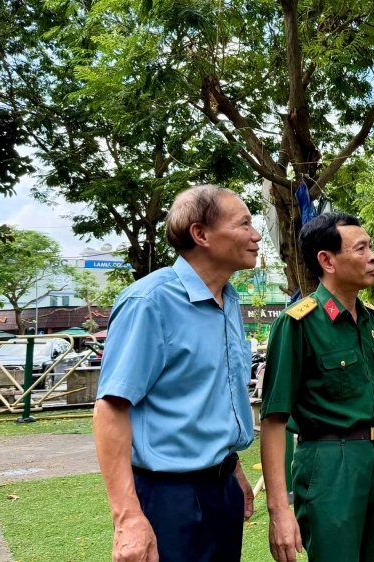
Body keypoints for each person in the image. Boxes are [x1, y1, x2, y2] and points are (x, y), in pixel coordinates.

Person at [94, 185, 260, 562]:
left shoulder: (229, 300)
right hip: (170, 498)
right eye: (245, 224)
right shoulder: (150, 302)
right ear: (201, 234)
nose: (255, 235)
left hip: (221, 488)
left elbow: (210, 399)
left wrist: (230, 467)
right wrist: (127, 518)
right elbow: (111, 409)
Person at [260, 212, 374, 562]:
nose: (373, 256)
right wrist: (280, 510)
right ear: (327, 260)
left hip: (373, 459)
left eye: (371, 246)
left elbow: (370, 405)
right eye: (361, 248)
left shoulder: (368, 320)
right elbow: (274, 420)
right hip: (329, 463)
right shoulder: (297, 324)